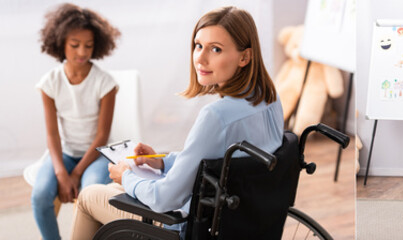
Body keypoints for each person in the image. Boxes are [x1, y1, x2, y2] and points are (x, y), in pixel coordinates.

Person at [71, 6, 283, 239]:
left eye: (216, 49)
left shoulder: (216, 117)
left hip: (190, 227)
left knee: (89, 196)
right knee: (113, 190)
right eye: (198, 45)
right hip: (245, 221)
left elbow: (165, 199)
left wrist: (126, 176)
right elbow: (211, 164)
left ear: (245, 57)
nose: (200, 58)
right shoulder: (269, 99)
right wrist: (160, 162)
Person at [32, 3, 121, 240]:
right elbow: (52, 134)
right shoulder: (49, 82)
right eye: (75, 45)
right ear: (61, 42)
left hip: (98, 155)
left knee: (90, 195)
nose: (82, 52)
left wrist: (77, 173)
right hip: (66, 153)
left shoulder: (106, 84)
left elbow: (102, 135)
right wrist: (62, 172)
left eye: (88, 46)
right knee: (40, 196)